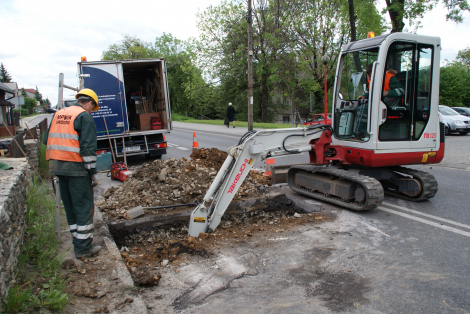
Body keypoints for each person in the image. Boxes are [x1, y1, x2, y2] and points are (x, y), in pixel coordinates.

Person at [43, 89, 101, 259]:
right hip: (76, 168)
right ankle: (83, 249)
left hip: (57, 167)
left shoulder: (58, 114)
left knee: (70, 208)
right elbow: (88, 149)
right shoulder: (84, 117)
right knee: (83, 207)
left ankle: (77, 243)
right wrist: (91, 172)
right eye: (92, 108)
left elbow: (46, 140)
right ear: (89, 103)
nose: (91, 111)